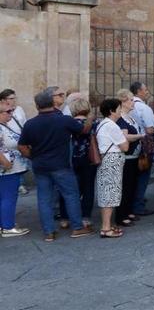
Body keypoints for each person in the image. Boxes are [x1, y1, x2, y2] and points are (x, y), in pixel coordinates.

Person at [18, 91, 95, 242]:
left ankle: (49, 232)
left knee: (44, 198)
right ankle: (77, 227)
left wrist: (33, 156)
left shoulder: (30, 124)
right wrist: (89, 119)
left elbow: (22, 147)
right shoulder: (63, 120)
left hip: (40, 166)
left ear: (37, 105)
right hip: (61, 165)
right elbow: (84, 130)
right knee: (71, 195)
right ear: (52, 103)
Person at [60, 98, 98, 228]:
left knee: (68, 189)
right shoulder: (94, 123)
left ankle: (64, 217)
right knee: (88, 188)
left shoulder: (68, 123)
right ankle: (85, 217)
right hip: (89, 159)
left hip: (71, 159)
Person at [94, 99, 129, 238]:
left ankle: (106, 224)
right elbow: (125, 146)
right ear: (112, 111)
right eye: (119, 108)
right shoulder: (112, 126)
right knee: (110, 193)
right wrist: (124, 136)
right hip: (112, 160)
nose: (121, 110)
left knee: (106, 192)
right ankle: (106, 227)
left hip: (106, 160)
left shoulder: (102, 124)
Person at [115, 90, 144, 228]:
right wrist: (140, 136)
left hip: (133, 156)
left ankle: (128, 210)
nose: (133, 102)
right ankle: (121, 215)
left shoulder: (129, 117)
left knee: (131, 185)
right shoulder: (121, 119)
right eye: (131, 100)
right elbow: (124, 137)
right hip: (126, 157)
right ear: (123, 102)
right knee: (125, 186)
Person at [0, 101, 30, 237]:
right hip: (7, 169)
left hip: (11, 168)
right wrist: (5, 162)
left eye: (12, 111)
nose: (11, 114)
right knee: (8, 197)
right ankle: (8, 227)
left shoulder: (4, 126)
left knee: (5, 197)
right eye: (8, 112)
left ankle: (4, 223)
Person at [129, 81, 154, 217]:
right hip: (143, 145)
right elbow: (150, 129)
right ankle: (138, 205)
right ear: (139, 91)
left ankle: (133, 201)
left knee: (132, 176)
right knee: (143, 175)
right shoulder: (144, 108)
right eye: (145, 89)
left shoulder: (127, 105)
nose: (147, 92)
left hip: (130, 144)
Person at [0, 89, 30, 196]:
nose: (14, 101)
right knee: (8, 198)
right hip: (6, 154)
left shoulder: (19, 109)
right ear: (3, 100)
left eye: (15, 98)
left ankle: (20, 184)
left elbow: (24, 123)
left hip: (18, 142)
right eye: (11, 98)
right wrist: (6, 163)